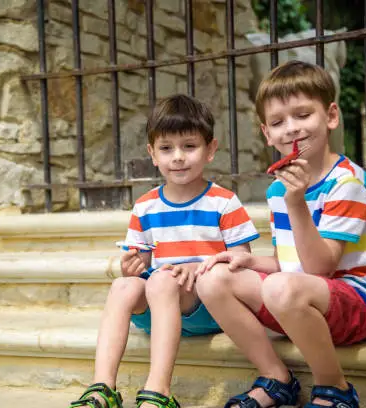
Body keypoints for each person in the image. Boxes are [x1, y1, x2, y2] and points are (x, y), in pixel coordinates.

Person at [195, 60, 366, 408]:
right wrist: (251, 259)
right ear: (266, 134)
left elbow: (319, 269)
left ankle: (335, 389)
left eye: (303, 115)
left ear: (330, 116)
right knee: (213, 279)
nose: (292, 129)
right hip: (298, 297)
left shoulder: (348, 183)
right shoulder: (277, 191)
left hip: (358, 305)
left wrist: (296, 202)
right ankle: (276, 378)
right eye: (278, 122)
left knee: (281, 288)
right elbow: (292, 262)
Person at [69, 94, 260, 408]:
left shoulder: (224, 202)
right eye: (166, 148)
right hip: (159, 306)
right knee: (123, 284)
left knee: (161, 281)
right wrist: (133, 264)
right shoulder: (145, 206)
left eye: (189, 146)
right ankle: (102, 388)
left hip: (206, 307)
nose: (178, 157)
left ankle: (158, 391)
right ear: (152, 154)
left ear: (210, 149)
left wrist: (197, 269)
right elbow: (141, 257)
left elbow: (242, 265)